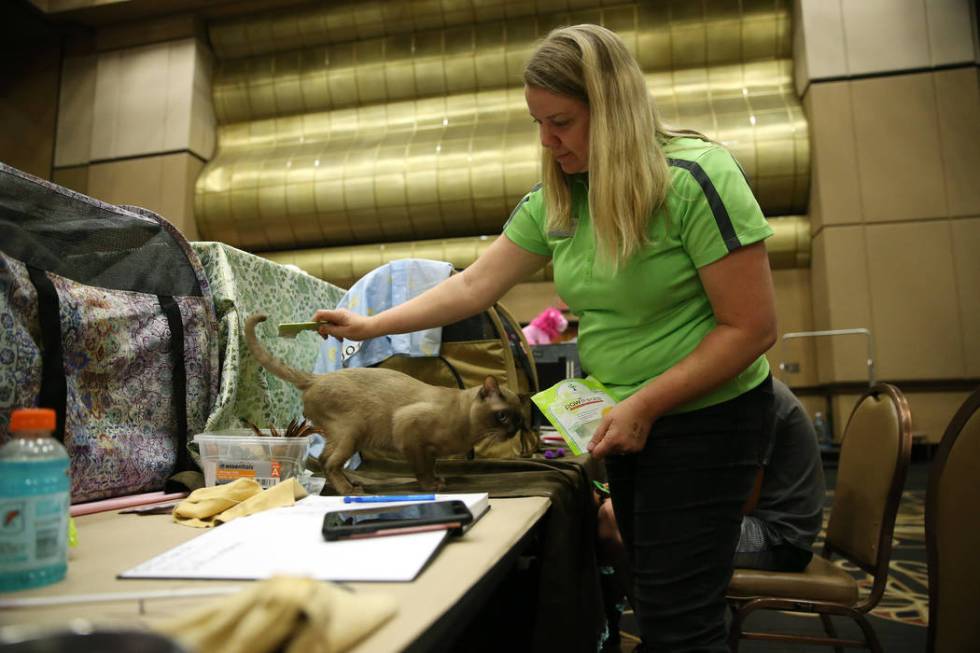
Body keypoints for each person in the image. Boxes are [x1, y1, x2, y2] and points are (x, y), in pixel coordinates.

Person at [314, 24, 778, 651]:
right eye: (537, 122)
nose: (547, 140)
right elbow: (474, 284)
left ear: (613, 112)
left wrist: (646, 403)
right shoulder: (561, 198)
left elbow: (751, 327)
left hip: (707, 419)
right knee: (655, 600)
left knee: (680, 621)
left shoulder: (699, 178)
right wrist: (370, 324)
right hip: (627, 420)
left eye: (560, 121)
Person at [596, 378, 826, 648]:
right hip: (749, 518)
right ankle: (661, 634)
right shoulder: (727, 388)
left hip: (779, 537)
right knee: (622, 516)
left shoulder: (756, 398)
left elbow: (741, 503)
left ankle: (665, 637)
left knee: (618, 522)